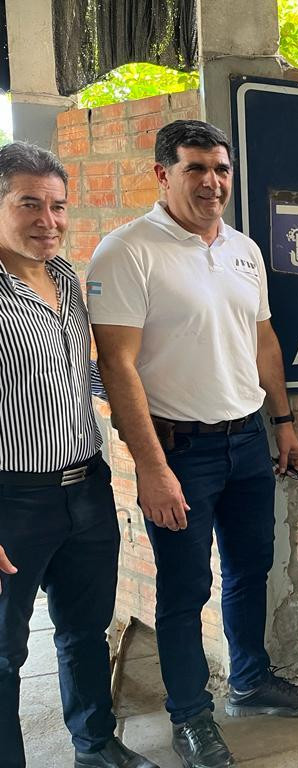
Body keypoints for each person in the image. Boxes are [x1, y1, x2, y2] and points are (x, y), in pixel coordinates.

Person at [87, 121, 298, 768]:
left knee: (252, 569)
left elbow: (264, 340)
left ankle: (250, 681)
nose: (212, 182)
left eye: (221, 168)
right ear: (162, 175)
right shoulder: (127, 251)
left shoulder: (244, 249)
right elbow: (117, 365)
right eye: (196, 168)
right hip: (179, 454)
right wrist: (152, 470)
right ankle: (190, 718)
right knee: (184, 589)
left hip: (247, 441)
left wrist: (284, 423)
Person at [0, 142, 158, 768]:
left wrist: (147, 419)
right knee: (5, 653)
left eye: (58, 206)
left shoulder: (69, 278)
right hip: (11, 499)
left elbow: (87, 374)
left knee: (84, 631)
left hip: (85, 487)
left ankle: (96, 749)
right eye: (28, 204)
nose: (49, 220)